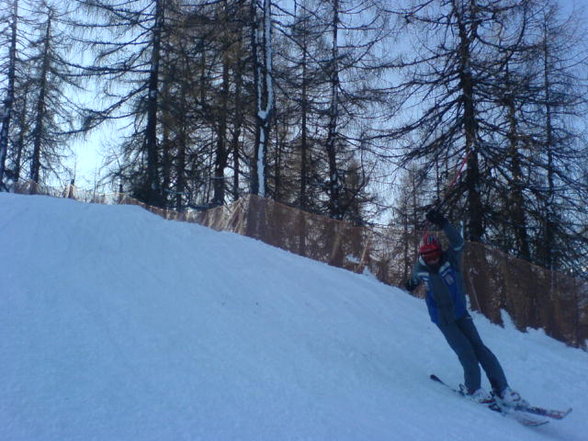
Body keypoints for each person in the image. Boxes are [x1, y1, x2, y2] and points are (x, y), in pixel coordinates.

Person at [404, 209, 526, 407]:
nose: (432, 259)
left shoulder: (450, 259)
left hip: (461, 313)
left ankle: (502, 389)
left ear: (440, 251)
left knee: (481, 350)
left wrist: (443, 222)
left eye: (435, 254)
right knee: (466, 352)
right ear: (422, 256)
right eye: (428, 256)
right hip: (444, 319)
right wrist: (409, 284)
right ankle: (473, 389)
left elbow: (458, 242)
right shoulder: (421, 269)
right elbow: (412, 280)